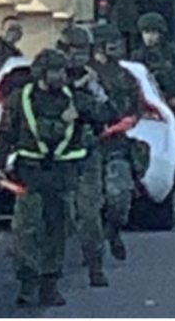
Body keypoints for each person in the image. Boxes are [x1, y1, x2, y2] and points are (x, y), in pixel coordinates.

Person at [0, 50, 88, 307]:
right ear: (43, 73)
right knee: (27, 229)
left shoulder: (74, 98)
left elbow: (102, 118)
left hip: (61, 175)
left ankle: (49, 284)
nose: (62, 76)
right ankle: (27, 282)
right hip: (29, 175)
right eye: (56, 71)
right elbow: (5, 133)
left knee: (57, 230)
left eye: (64, 71)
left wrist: (95, 90)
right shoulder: (20, 100)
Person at [57, 26, 116, 288]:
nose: (78, 57)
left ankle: (95, 265)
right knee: (62, 215)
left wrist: (95, 93)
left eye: (83, 51)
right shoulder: (50, 76)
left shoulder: (93, 79)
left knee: (90, 213)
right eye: (73, 50)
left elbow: (108, 114)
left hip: (86, 154)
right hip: (56, 157)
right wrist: (78, 88)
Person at [89, 23, 149, 266]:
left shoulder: (126, 75)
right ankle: (92, 251)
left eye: (117, 42)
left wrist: (127, 122)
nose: (115, 46)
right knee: (87, 206)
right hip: (87, 147)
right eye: (109, 42)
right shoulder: (84, 73)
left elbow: (137, 106)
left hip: (116, 145)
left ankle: (112, 230)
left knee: (120, 199)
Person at [132, 12, 175, 133]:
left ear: (161, 34)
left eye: (153, 32)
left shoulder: (174, 54)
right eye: (146, 32)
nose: (149, 37)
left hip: (170, 107)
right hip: (146, 108)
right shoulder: (137, 56)